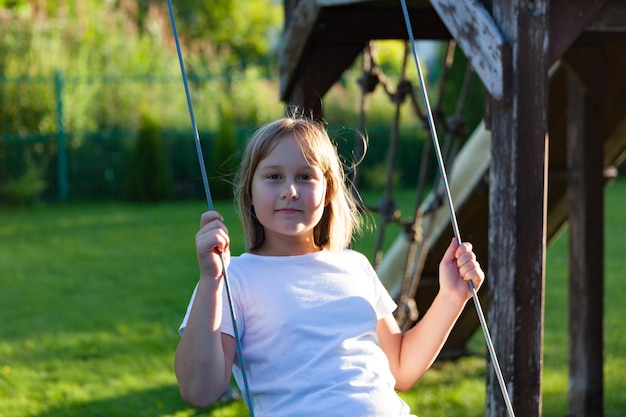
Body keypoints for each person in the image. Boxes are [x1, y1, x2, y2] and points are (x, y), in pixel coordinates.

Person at [175, 112, 485, 417]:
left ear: (327, 193)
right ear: (250, 194)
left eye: (305, 177)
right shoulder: (232, 278)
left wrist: (451, 297)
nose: (289, 190)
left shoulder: (354, 265)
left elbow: (402, 369)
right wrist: (210, 282)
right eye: (273, 177)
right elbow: (199, 390)